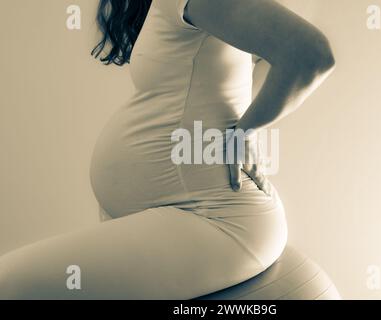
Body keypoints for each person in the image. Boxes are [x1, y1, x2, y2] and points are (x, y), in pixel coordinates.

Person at [0, 0, 338, 299]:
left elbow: (310, 55)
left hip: (216, 220)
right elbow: (263, 59)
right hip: (182, 209)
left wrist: (244, 131)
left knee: (7, 284)